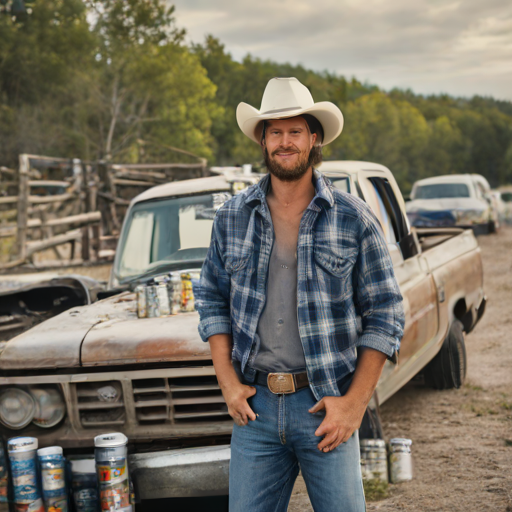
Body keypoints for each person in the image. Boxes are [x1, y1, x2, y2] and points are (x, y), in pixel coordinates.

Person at [196, 77, 405, 512]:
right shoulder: (232, 217)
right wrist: (229, 385)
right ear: (263, 140)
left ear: (314, 138)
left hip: (325, 404)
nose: (284, 141)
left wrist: (353, 405)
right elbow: (212, 301)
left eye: (295, 131)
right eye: (275, 132)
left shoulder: (353, 218)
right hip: (255, 410)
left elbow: (385, 313)